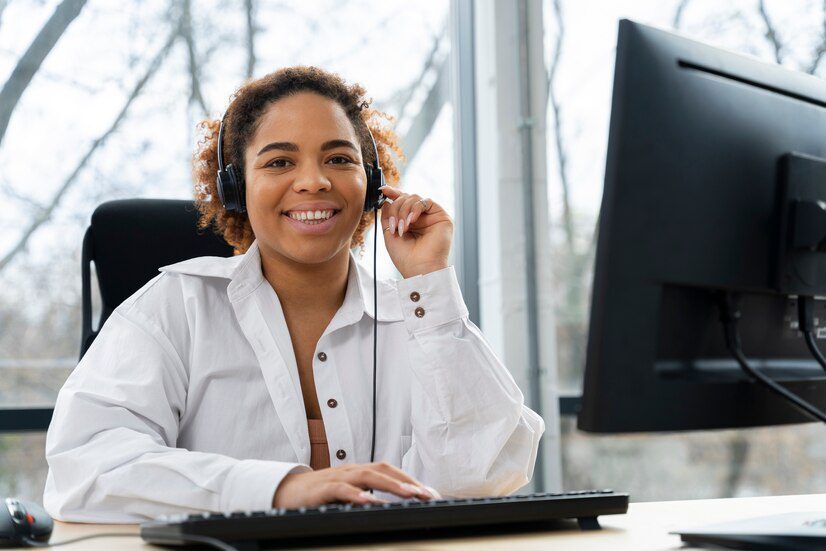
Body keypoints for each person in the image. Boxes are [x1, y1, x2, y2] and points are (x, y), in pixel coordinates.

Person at [43, 66, 545, 523]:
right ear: (235, 188)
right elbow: (84, 468)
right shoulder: (176, 308)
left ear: (371, 185)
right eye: (280, 161)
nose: (314, 181)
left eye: (339, 158)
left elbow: (485, 476)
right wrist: (281, 488)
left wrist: (429, 283)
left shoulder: (419, 319)